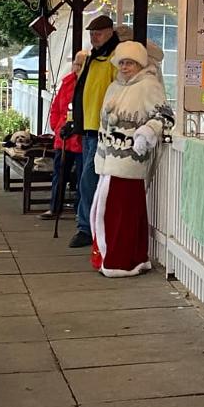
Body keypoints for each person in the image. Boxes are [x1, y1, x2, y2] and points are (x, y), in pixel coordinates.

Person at [89, 40, 172, 277]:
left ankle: (120, 260)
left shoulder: (149, 85)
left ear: (140, 64)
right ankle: (127, 258)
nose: (125, 67)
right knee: (110, 211)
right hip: (108, 158)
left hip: (129, 160)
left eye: (130, 63)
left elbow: (165, 116)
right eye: (122, 62)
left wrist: (147, 132)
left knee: (119, 213)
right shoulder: (115, 86)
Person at [68, 16, 119, 248]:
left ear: (109, 32)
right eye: (91, 34)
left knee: (89, 179)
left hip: (102, 128)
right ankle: (88, 224)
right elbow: (81, 91)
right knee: (86, 178)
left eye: (98, 33)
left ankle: (86, 228)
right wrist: (73, 121)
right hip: (88, 126)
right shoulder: (93, 58)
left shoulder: (113, 58)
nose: (94, 37)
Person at [40, 50, 87, 221]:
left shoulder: (89, 83)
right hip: (64, 137)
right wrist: (56, 126)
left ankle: (80, 211)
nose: (77, 68)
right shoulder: (67, 82)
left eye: (81, 65)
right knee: (59, 175)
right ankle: (55, 208)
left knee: (82, 177)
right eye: (76, 64)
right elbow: (56, 107)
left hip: (81, 138)